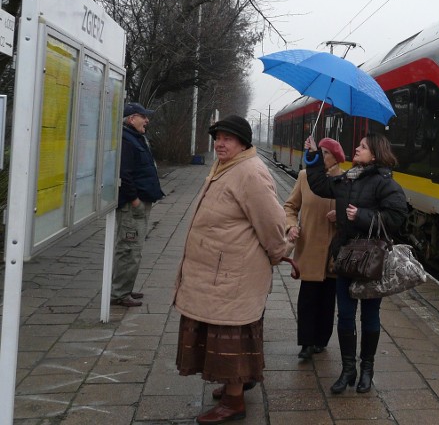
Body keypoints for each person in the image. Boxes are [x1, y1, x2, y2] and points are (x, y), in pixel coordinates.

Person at [173, 115, 296, 424]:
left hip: (233, 275)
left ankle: (234, 400)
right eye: (218, 137)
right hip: (218, 272)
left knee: (230, 336)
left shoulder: (250, 172)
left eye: (228, 138)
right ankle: (236, 381)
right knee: (221, 335)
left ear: (243, 143)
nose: (220, 143)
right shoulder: (226, 166)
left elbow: (272, 224)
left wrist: (278, 253)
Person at [303, 132, 407, 394]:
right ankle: (348, 369)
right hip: (347, 258)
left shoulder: (385, 183)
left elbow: (397, 217)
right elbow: (319, 185)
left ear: (375, 153)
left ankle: (367, 369)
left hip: (371, 261)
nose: (357, 149)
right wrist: (314, 156)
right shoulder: (348, 178)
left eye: (362, 146)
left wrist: (361, 215)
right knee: (346, 315)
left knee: (370, 315)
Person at [283, 137, 345, 362]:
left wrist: (341, 216)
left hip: (333, 251)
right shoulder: (304, 177)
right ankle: (306, 343)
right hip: (309, 247)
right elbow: (290, 206)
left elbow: (354, 211)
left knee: (328, 299)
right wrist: (291, 226)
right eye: (321, 152)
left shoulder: (344, 181)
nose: (322, 156)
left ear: (336, 158)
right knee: (307, 298)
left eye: (326, 153)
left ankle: (321, 340)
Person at [111, 102, 166, 308]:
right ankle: (119, 293)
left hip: (140, 203)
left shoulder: (135, 138)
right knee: (129, 249)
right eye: (143, 116)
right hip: (132, 206)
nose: (147, 120)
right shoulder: (127, 141)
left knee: (132, 249)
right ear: (132, 118)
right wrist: (134, 201)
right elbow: (123, 174)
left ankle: (124, 288)